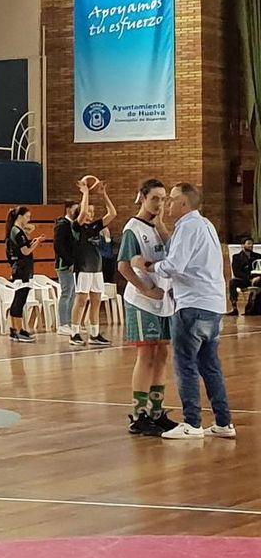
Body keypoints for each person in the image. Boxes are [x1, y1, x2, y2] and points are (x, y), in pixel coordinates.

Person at [134, 183, 236, 441]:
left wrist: (147, 265)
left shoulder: (188, 227)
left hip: (192, 306)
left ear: (184, 204)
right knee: (210, 365)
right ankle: (224, 423)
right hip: (212, 306)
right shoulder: (206, 225)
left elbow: (174, 265)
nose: (166, 204)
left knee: (186, 365)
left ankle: (192, 422)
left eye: (171, 199)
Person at [116, 179, 175, 437]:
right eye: (155, 198)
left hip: (163, 301)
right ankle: (138, 414)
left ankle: (156, 411)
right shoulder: (133, 228)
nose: (159, 204)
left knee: (162, 354)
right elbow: (124, 266)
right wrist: (145, 289)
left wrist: (161, 223)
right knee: (147, 355)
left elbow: (173, 251)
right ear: (142, 197)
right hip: (143, 301)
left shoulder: (157, 228)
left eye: (163, 199)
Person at [68, 177, 114, 347]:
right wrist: (86, 193)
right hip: (83, 268)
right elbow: (81, 215)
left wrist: (104, 195)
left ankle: (94, 334)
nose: (91, 213)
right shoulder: (76, 226)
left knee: (96, 301)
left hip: (97, 268)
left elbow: (113, 214)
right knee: (81, 301)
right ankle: (74, 333)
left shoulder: (95, 227)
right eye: (88, 210)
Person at [4, 207, 37, 341]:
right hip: (21, 269)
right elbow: (25, 251)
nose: (28, 220)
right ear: (20, 216)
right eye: (27, 217)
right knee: (19, 299)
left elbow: (31, 228)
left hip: (23, 269)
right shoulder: (17, 232)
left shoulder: (17, 231)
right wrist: (37, 244)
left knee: (21, 299)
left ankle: (19, 328)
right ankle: (16, 330)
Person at [53, 200, 81, 336]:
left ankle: (70, 322)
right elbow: (58, 246)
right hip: (64, 264)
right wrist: (69, 261)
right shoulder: (62, 225)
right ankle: (63, 324)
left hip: (73, 264)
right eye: (76, 209)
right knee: (66, 293)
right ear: (69, 209)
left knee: (73, 294)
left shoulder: (73, 225)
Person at [229, 236, 256, 313]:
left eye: (252, 244)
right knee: (232, 282)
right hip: (245, 280)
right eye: (248, 243)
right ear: (243, 245)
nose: (251, 245)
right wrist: (248, 277)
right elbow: (236, 272)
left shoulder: (257, 256)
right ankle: (234, 306)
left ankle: (252, 308)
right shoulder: (236, 257)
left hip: (256, 280)